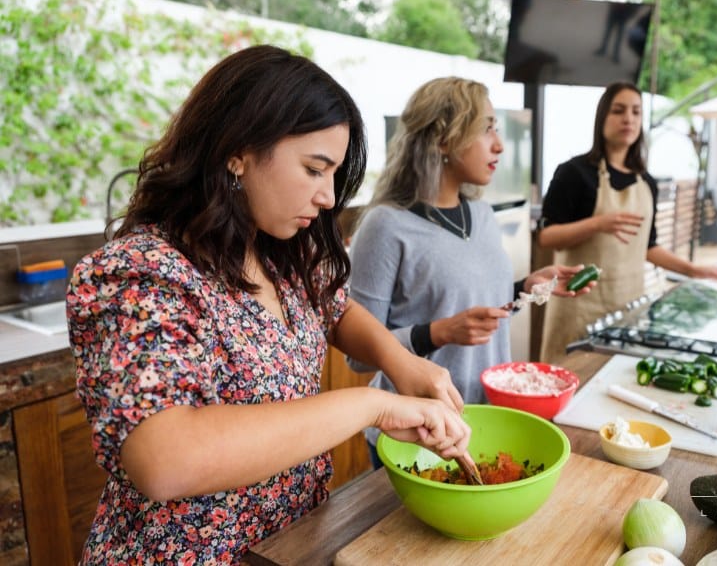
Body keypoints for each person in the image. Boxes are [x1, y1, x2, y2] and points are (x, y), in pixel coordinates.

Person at [67, 45, 472, 564]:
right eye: (314, 169)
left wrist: (401, 362)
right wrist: (373, 404)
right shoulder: (141, 273)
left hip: (287, 545)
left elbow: (337, 310)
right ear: (238, 151)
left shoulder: (280, 251)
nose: (328, 197)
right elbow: (164, 459)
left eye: (334, 175)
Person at [347, 77, 593, 467]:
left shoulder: (481, 214)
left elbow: (475, 307)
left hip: (485, 421)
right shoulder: (385, 226)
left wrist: (524, 289)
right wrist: (437, 333)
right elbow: (358, 357)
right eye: (486, 128)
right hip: (417, 433)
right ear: (443, 140)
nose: (500, 144)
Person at [537, 81, 717, 365]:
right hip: (578, 308)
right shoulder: (574, 173)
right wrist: (598, 224)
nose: (628, 119)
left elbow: (648, 247)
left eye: (636, 112)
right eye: (618, 111)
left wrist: (693, 270)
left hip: (627, 308)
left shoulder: (647, 183)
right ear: (602, 117)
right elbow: (547, 237)